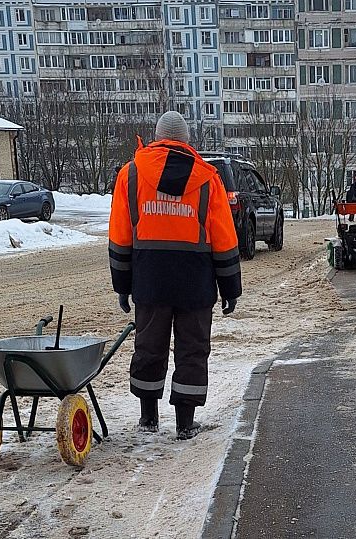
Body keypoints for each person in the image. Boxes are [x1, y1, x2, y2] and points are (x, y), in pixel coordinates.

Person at [108, 111, 242, 440]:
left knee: (149, 346)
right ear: (186, 140)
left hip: (149, 277)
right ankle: (185, 422)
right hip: (195, 280)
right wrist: (230, 288)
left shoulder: (131, 174)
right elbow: (224, 237)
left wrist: (122, 284)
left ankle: (148, 417)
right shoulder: (208, 179)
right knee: (192, 349)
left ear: (156, 138)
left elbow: (120, 234)